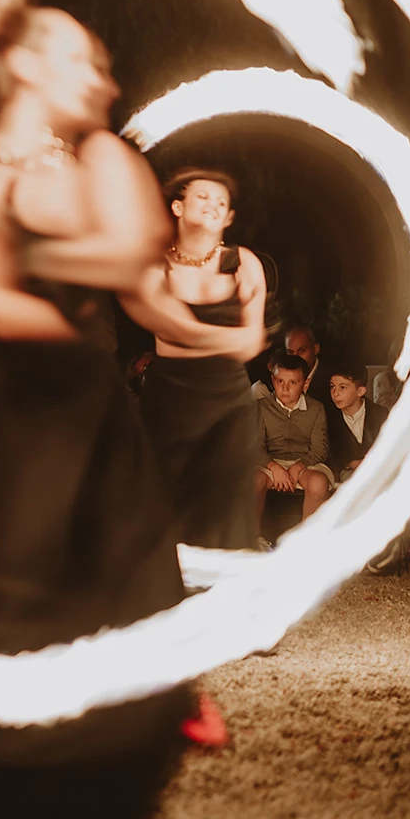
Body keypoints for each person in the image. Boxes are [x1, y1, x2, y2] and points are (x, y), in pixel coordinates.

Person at [0, 0, 235, 819]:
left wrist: (14, 242)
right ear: (23, 62)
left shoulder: (103, 160)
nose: (105, 80)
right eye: (85, 58)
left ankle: (95, 802)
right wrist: (8, 247)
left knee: (112, 591)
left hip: (85, 408)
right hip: (0, 411)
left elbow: (128, 249)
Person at [127, 169, 267, 552]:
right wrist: (227, 338)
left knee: (224, 510)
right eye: (203, 197)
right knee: (167, 506)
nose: (213, 206)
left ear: (229, 219)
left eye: (221, 203)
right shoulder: (155, 265)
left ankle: (221, 602)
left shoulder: (244, 264)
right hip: (171, 398)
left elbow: (250, 344)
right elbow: (171, 331)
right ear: (177, 206)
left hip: (228, 403)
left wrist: (196, 336)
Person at [254, 353, 332, 526]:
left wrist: (299, 466)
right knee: (252, 482)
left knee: (319, 483)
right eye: (280, 381)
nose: (285, 388)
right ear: (273, 381)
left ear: (305, 384)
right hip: (269, 463)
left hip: (305, 463)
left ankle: (307, 539)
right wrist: (274, 467)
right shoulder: (260, 407)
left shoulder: (316, 409)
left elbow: (320, 449)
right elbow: (254, 447)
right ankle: (252, 539)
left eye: (293, 383)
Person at [324, 363, 387, 482]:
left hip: (378, 469)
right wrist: (351, 463)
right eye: (332, 386)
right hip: (347, 471)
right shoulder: (329, 417)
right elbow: (330, 452)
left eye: (342, 387)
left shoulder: (380, 414)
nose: (335, 393)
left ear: (360, 391)